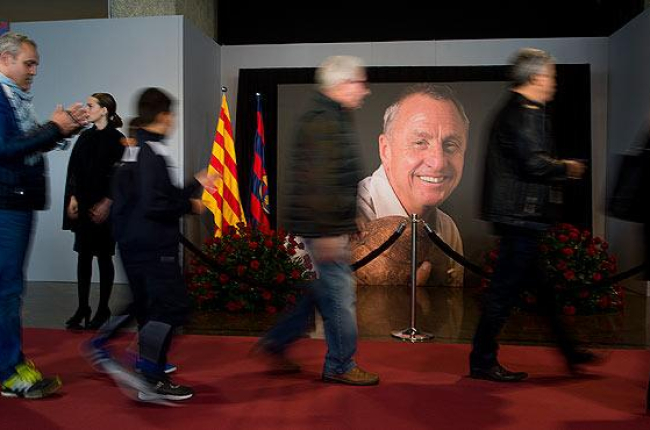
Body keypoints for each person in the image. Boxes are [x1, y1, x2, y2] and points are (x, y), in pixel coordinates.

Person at [470, 47, 595, 382]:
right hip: (520, 216)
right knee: (503, 292)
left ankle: (570, 353)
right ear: (536, 77)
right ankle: (482, 360)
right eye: (551, 75)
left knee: (538, 290)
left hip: (518, 216)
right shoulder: (525, 111)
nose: (554, 82)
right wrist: (566, 167)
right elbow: (533, 162)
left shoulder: (519, 109)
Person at [84, 88, 217, 402]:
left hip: (132, 244)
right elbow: (156, 203)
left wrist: (195, 183)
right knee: (171, 306)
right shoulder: (153, 152)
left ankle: (110, 347)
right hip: (155, 245)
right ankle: (150, 376)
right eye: (172, 116)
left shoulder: (132, 148)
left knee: (144, 305)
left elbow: (140, 196)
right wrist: (191, 206)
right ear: (164, 116)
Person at [254, 55, 378, 386]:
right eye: (359, 83)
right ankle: (340, 365)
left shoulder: (331, 116)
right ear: (341, 84)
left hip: (325, 225)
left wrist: (350, 216)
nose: (364, 91)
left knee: (317, 293)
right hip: (323, 229)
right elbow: (320, 181)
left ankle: (277, 342)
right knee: (339, 297)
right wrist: (327, 232)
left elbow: (336, 177)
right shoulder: (324, 120)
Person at [0, 32, 88, 399]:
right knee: (8, 291)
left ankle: (11, 364)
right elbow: (5, 149)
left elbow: (22, 145)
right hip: (7, 205)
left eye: (36, 64)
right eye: (28, 63)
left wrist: (62, 128)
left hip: (17, 203)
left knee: (9, 289)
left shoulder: (15, 98)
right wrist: (54, 128)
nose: (34, 70)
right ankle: (9, 371)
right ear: (5, 60)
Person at [354, 84, 468, 338]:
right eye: (420, 142)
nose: (438, 162)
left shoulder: (447, 229)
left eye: (451, 145)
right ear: (386, 150)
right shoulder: (343, 220)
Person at [63, 93, 125, 330]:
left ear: (105, 110)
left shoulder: (117, 140)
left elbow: (120, 178)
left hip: (106, 209)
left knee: (104, 257)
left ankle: (103, 308)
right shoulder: (85, 137)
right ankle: (82, 307)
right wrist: (72, 198)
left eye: (91, 106)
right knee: (84, 256)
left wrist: (107, 203)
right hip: (85, 204)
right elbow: (75, 171)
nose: (86, 109)